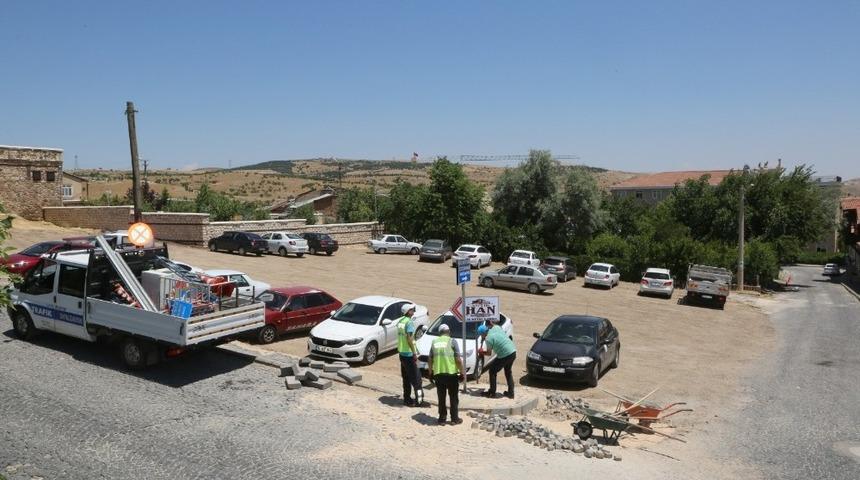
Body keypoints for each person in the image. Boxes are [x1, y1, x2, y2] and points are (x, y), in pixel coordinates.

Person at [428, 323, 465, 425]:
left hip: (439, 374)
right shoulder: (452, 341)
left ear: (440, 333)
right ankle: (454, 419)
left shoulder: (434, 342)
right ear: (448, 332)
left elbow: (430, 359)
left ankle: (442, 418)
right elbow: (458, 359)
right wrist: (462, 372)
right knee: (453, 397)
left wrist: (430, 373)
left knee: (441, 397)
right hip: (451, 374)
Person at [480, 317, 517, 399]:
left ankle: (492, 392)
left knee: (492, 371)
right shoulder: (496, 328)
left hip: (505, 355)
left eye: (481, 334)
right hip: (512, 351)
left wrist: (481, 352)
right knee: (508, 372)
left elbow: (489, 353)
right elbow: (493, 325)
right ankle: (511, 393)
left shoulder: (489, 339)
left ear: (482, 334)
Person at [396, 303, 423, 406]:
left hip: (402, 353)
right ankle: (419, 401)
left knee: (406, 378)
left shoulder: (401, 321)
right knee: (417, 379)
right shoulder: (409, 322)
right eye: (412, 309)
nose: (414, 311)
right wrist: (414, 352)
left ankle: (406, 399)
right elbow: (409, 338)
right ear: (408, 311)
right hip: (409, 354)